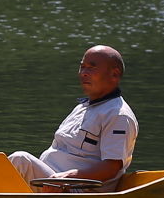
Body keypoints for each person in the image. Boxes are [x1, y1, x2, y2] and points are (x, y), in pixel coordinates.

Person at [8, 45, 137, 186]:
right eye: (82, 67)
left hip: (78, 189)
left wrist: (68, 176)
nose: (84, 73)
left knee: (20, 160)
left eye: (92, 68)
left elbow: (111, 168)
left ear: (114, 74)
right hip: (52, 182)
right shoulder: (82, 108)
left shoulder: (118, 115)